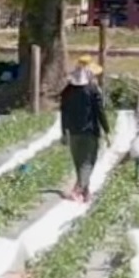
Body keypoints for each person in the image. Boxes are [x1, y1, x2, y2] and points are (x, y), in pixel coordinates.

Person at [58, 64, 111, 201]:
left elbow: (64, 113)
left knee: (79, 163)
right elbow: (99, 111)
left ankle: (86, 192)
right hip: (90, 132)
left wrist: (64, 132)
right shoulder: (92, 90)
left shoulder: (67, 91)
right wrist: (107, 130)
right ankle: (78, 189)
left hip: (74, 132)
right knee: (88, 162)